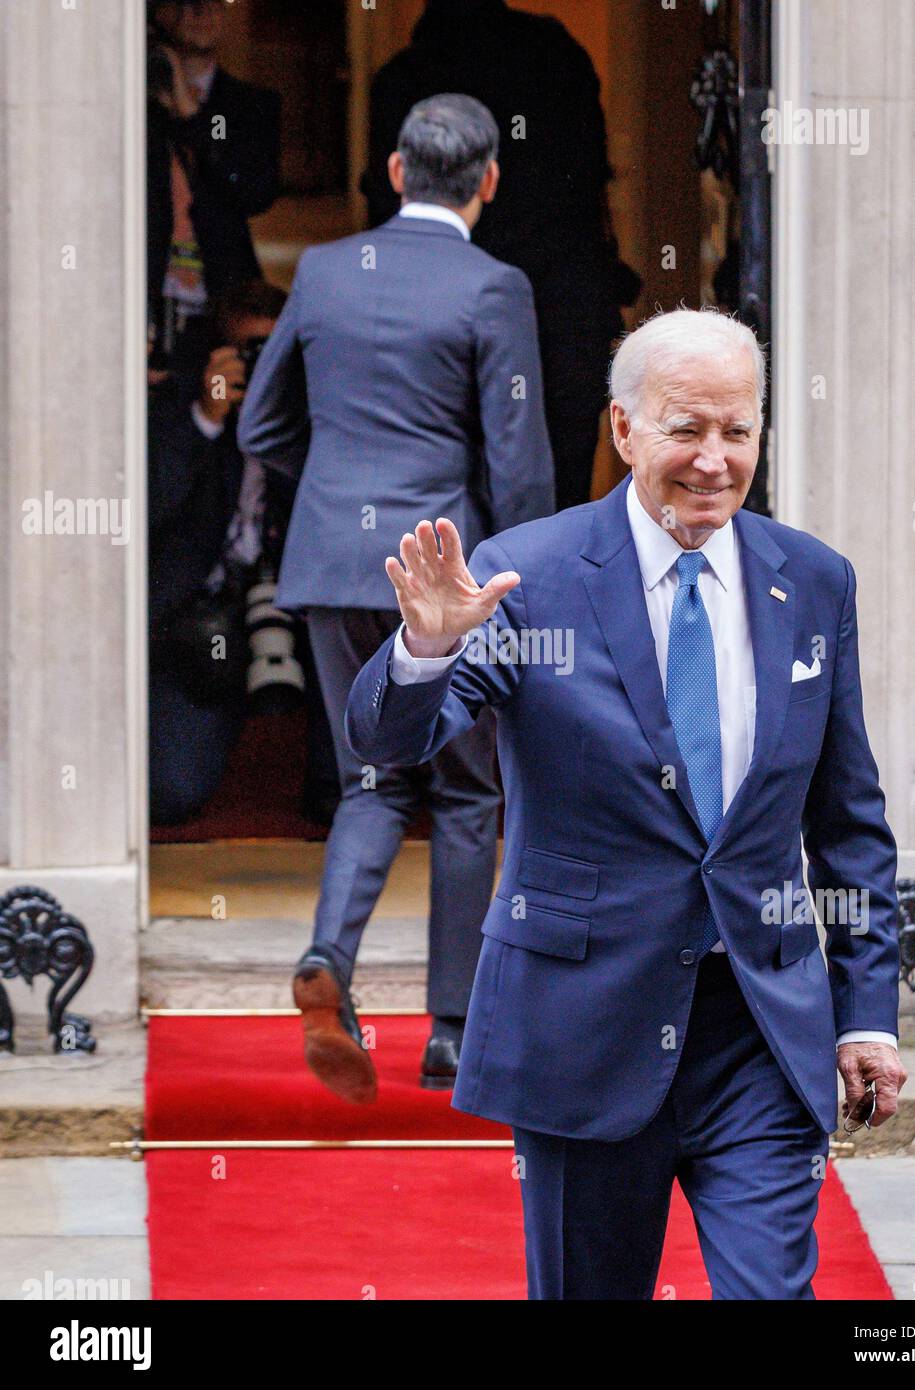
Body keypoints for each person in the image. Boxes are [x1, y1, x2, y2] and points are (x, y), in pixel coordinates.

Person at [344, 308, 909, 1300]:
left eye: (736, 431)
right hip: (584, 1027)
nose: (712, 459)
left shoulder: (812, 583)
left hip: (758, 1030)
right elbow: (391, 744)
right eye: (684, 429)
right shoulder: (530, 577)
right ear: (621, 431)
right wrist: (425, 649)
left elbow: (848, 820)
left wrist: (867, 1016)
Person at [237, 94, 554, 1096]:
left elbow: (258, 426)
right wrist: (519, 579)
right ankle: (453, 1030)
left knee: (370, 778)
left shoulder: (326, 271)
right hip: (447, 573)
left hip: (334, 563)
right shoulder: (493, 286)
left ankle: (330, 956)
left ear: (393, 170)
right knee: (467, 789)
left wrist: (333, 492)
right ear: (489, 182)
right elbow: (518, 460)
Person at [363, 0, 640, 512]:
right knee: (559, 489)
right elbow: (593, 184)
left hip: (445, 314)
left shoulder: (403, 79)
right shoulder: (557, 57)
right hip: (561, 307)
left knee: (444, 487)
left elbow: (383, 215)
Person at [149, 280, 337, 825]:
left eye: (270, 354)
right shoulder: (179, 413)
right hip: (201, 622)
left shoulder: (313, 418)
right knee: (175, 791)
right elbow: (149, 510)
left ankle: (335, 788)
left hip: (297, 607)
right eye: (245, 355)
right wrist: (205, 419)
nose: (258, 370)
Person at [146, 0, 281, 378]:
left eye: (215, 3)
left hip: (222, 299)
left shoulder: (248, 105)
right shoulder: (133, 105)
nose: (202, 12)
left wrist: (191, 113)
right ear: (159, 13)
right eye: (187, 2)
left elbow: (254, 191)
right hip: (147, 296)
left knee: (220, 405)